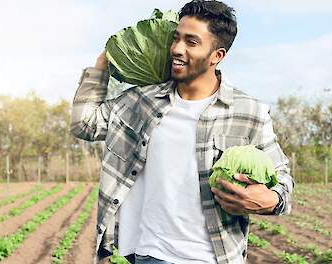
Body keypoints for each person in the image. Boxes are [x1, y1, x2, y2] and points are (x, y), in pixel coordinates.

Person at [70, 1, 294, 263]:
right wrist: (102, 64)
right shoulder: (142, 102)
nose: (176, 48)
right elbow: (84, 123)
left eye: (191, 42)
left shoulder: (249, 112)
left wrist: (270, 200)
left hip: (215, 257)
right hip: (150, 254)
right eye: (175, 38)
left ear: (217, 55)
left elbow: (283, 182)